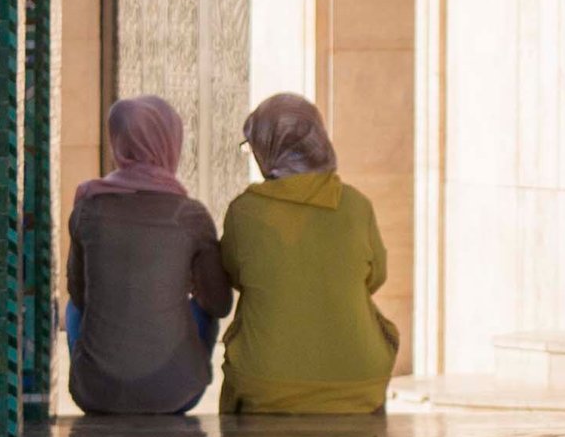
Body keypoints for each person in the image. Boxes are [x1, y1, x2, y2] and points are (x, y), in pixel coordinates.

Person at [218, 93, 399, 414]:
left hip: (267, 384)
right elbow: (376, 276)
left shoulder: (244, 212)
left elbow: (234, 275)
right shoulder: (356, 205)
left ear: (266, 147)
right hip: (359, 381)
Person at [64, 95, 232, 415]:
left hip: (95, 393)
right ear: (171, 141)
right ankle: (178, 374)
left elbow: (79, 295)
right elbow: (220, 304)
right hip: (176, 395)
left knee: (73, 308)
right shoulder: (191, 216)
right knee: (201, 308)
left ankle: (100, 374)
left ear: (118, 143)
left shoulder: (88, 207)